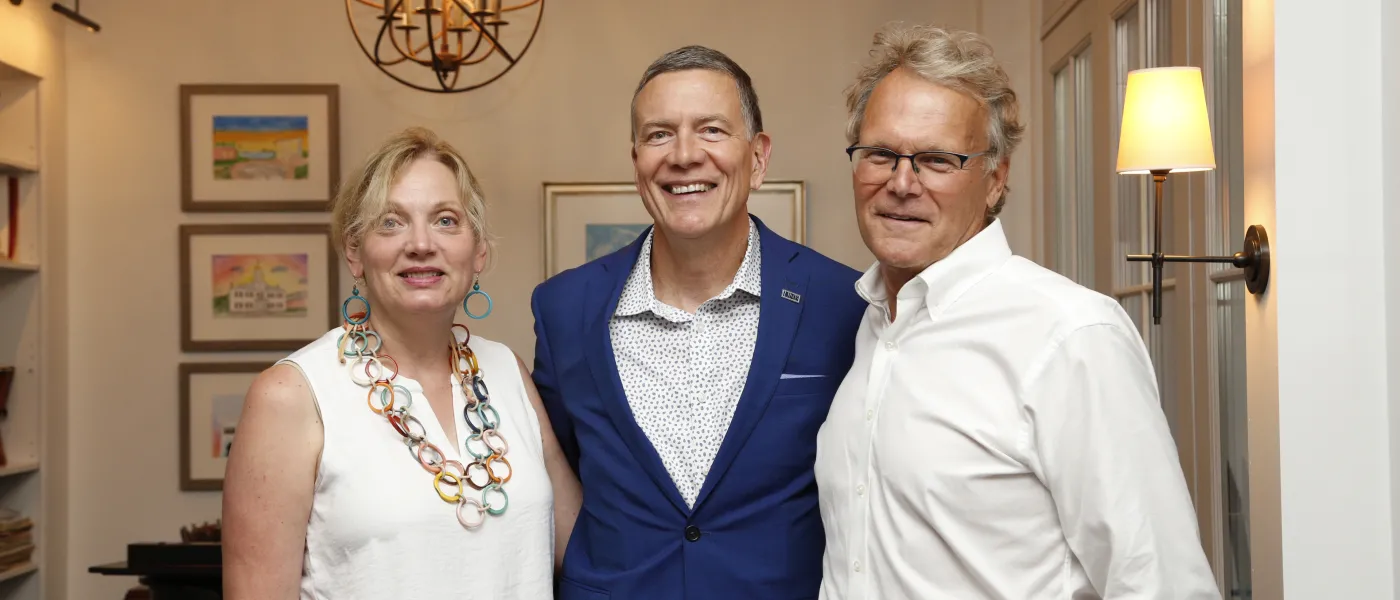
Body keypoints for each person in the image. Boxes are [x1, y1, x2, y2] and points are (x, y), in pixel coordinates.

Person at [814, 23, 1221, 599]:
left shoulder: (1072, 335)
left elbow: (1159, 584)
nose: (901, 183)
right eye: (881, 153)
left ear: (995, 180)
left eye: (936, 160)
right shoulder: (871, 326)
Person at [530, 45, 868, 599]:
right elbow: (556, 483)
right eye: (659, 134)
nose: (684, 155)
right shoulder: (565, 308)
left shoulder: (842, 302)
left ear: (758, 158)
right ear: (636, 159)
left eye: (711, 130)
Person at [222, 127, 581, 599]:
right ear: (355, 252)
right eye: (391, 222)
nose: (420, 243)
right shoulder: (292, 395)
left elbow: (584, 550)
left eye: (446, 220)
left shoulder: (507, 372)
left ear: (478, 252)